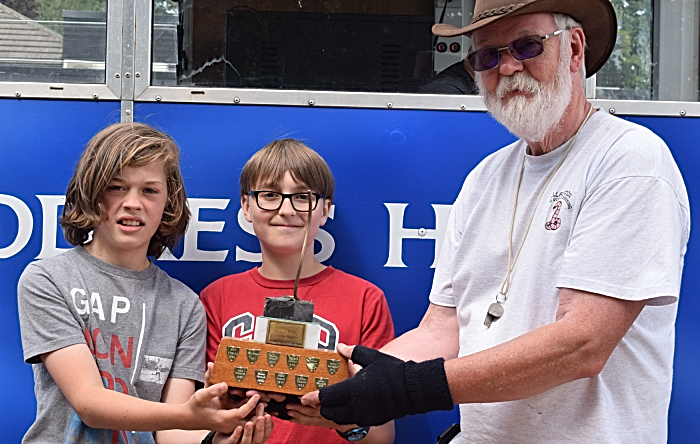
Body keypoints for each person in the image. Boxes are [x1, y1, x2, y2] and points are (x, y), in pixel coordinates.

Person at [301, 1, 690, 443]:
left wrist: (410, 389)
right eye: (487, 55)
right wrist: (341, 383)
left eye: (526, 46)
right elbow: (443, 328)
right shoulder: (484, 178)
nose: (506, 68)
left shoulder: (630, 160)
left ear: (575, 49)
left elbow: (582, 344)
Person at [17, 123, 272, 444]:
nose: (133, 203)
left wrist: (218, 439)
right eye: (116, 187)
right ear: (91, 192)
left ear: (168, 201)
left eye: (149, 190)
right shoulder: (48, 279)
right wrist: (192, 416)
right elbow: (89, 403)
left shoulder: (184, 304)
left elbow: (171, 433)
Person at [200, 139, 396, 443]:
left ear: (326, 208)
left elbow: (383, 435)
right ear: (246, 206)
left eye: (302, 197)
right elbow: (205, 417)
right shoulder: (215, 297)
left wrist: (341, 422)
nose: (286, 209)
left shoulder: (365, 299)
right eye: (269, 195)